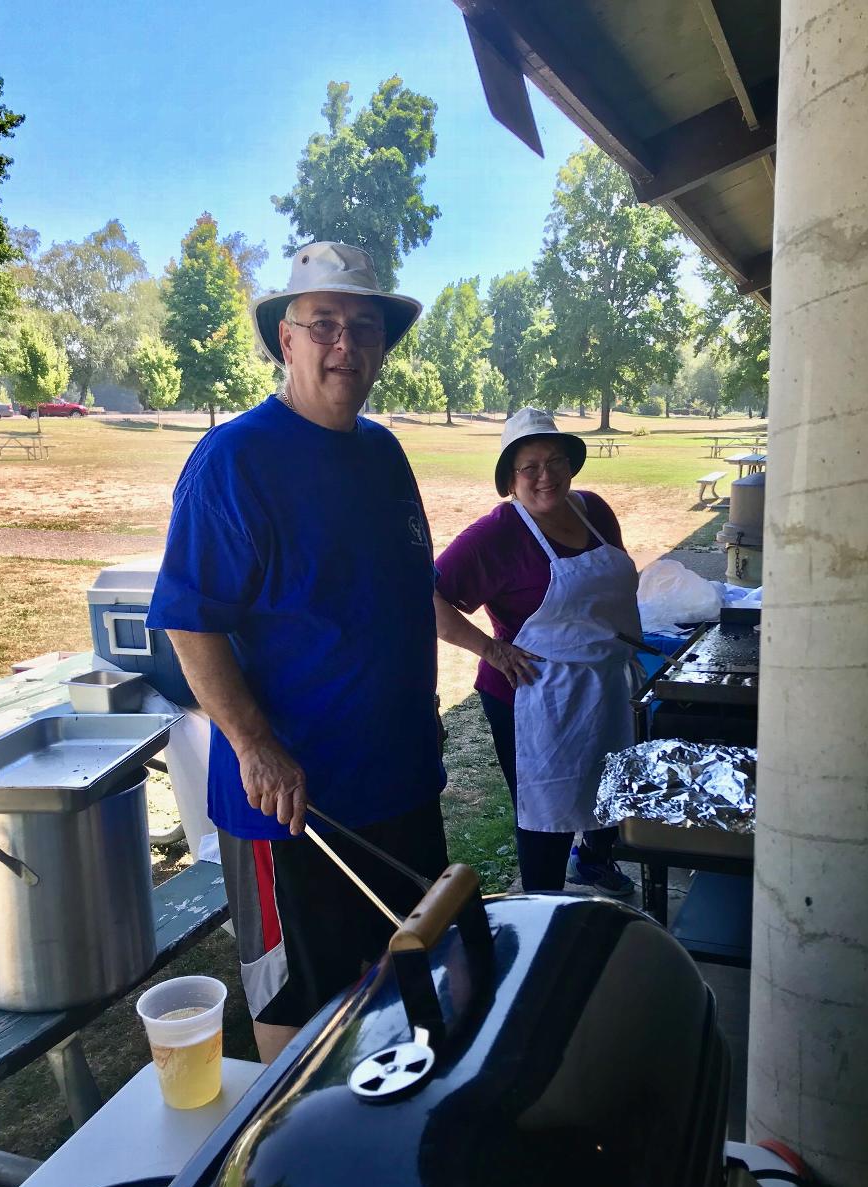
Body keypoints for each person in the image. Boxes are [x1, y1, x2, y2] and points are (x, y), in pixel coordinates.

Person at [147, 242, 446, 1064]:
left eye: (364, 326)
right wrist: (255, 745)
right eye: (324, 324)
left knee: (407, 999)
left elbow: (396, 594)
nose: (345, 343)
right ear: (288, 339)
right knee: (300, 1032)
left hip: (401, 790)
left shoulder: (383, 453)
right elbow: (188, 619)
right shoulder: (235, 462)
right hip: (294, 815)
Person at [434, 407, 641, 896]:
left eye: (556, 461)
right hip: (532, 696)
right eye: (530, 467)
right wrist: (492, 650)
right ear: (510, 479)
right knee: (546, 811)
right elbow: (426, 598)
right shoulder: (497, 535)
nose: (546, 476)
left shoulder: (595, 511)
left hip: (603, 684)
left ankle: (592, 860)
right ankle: (542, 905)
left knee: (607, 788)